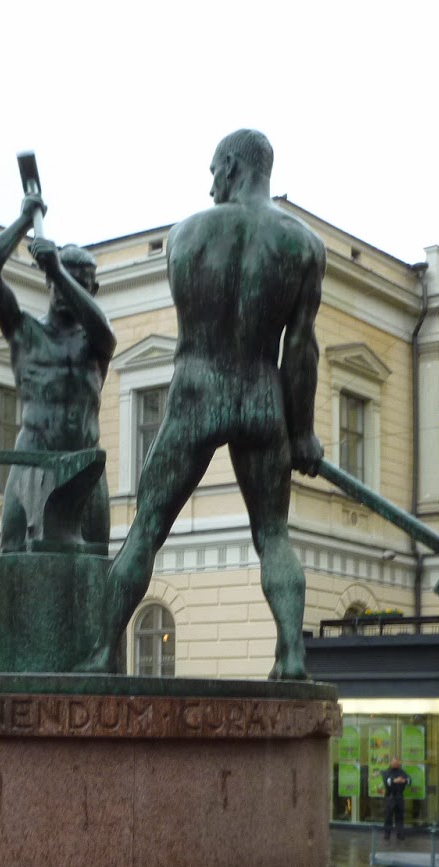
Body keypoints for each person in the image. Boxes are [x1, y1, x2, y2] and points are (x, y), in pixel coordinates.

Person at [78, 129, 326, 679]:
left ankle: (100, 655)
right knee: (273, 535)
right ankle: (290, 653)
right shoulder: (303, 244)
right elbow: (301, 348)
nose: (210, 181)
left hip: (197, 391)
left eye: (215, 168)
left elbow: (197, 319)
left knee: (145, 529)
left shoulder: (185, 237)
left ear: (234, 165)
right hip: (262, 396)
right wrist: (301, 431)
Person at [0, 191, 114, 551]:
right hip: (32, 462)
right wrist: (23, 222)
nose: (70, 289)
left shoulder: (95, 342)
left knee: (95, 564)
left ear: (92, 290)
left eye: (81, 283)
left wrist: (57, 269)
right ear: (46, 284)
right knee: (14, 559)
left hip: (85, 464)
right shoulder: (25, 332)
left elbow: (106, 332)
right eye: (62, 279)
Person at [381, 758, 413, 843]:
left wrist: (405, 780)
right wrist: (396, 780)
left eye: (397, 763)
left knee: (399, 816)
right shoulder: (386, 772)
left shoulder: (401, 771)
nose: (396, 764)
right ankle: (387, 833)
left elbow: (409, 780)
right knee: (388, 816)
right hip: (390, 797)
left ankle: (400, 833)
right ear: (391, 763)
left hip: (399, 797)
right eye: (394, 763)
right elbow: (387, 781)